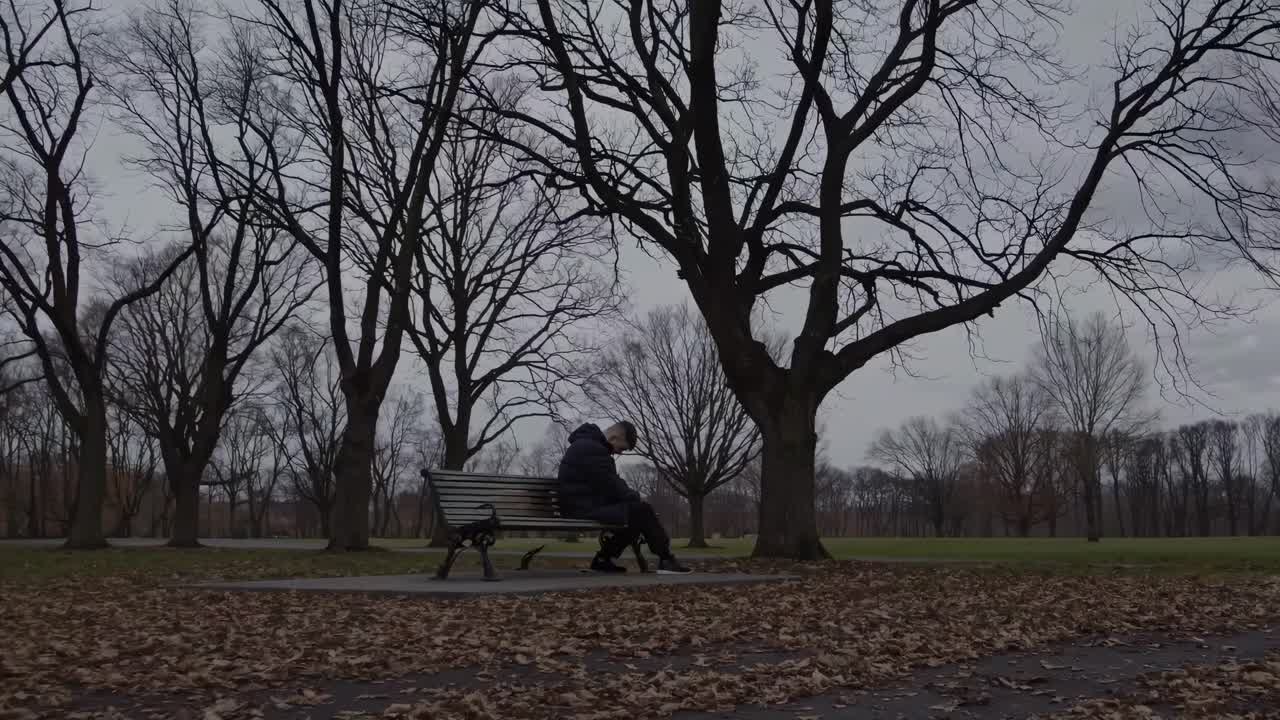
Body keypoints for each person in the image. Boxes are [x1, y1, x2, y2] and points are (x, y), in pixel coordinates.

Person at [556, 421, 692, 574]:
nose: (619, 453)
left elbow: (605, 483)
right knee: (641, 510)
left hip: (583, 504)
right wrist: (634, 497)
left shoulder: (588, 445)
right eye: (621, 448)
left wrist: (629, 498)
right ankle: (666, 559)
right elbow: (610, 484)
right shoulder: (591, 448)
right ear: (614, 437)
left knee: (634, 515)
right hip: (580, 507)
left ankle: (603, 559)